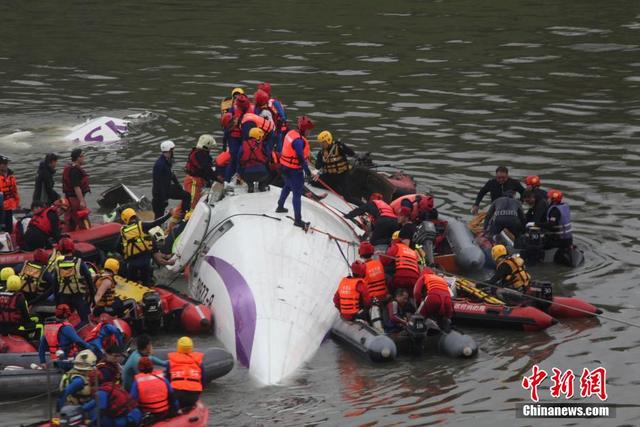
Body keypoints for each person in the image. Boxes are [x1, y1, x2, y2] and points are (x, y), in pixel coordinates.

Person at [276, 115, 318, 228]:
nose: (310, 132)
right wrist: (307, 171)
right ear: (304, 129)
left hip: (284, 167)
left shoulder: (291, 133)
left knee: (287, 186)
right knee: (297, 195)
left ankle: (280, 206)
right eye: (309, 130)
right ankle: (298, 220)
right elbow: (300, 156)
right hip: (294, 170)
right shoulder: (299, 141)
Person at [119, 207, 171, 285]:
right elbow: (156, 222)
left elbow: (117, 247)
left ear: (125, 220)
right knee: (146, 282)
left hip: (132, 262)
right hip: (145, 260)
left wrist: (125, 256)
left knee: (131, 283)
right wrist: (169, 215)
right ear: (135, 216)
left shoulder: (123, 232)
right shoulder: (142, 225)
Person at [53, 237, 95, 326]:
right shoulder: (79, 262)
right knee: (85, 321)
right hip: (77, 297)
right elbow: (89, 279)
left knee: (62, 321)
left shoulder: (57, 263)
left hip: (63, 297)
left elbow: (55, 284)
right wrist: (92, 296)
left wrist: (57, 303)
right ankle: (77, 332)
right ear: (72, 248)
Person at [152, 140, 191, 219]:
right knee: (159, 216)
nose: (174, 152)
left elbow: (171, 175)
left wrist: (178, 185)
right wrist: (164, 199)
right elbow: (158, 183)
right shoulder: (160, 165)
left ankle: (184, 215)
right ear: (169, 151)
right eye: (172, 151)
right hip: (159, 193)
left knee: (186, 195)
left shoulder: (167, 161)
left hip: (167, 187)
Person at [131, 356, 179, 421]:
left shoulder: (137, 382)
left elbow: (133, 400)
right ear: (152, 367)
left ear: (139, 368)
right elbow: (172, 395)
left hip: (147, 414)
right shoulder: (163, 378)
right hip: (164, 412)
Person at [313, 130, 355, 200]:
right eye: (320, 143)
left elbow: (351, 153)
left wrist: (342, 145)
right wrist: (321, 162)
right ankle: (334, 187)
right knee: (313, 182)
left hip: (342, 174)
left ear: (328, 140)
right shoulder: (321, 153)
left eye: (323, 142)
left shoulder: (338, 147)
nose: (322, 145)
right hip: (330, 175)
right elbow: (317, 166)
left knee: (347, 197)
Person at [223, 94, 255, 182]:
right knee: (234, 158)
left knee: (242, 158)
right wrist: (224, 142)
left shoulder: (252, 109)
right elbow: (227, 126)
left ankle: (240, 177)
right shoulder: (233, 109)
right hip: (234, 137)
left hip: (245, 136)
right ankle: (228, 180)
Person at [168, 336, 204, 410]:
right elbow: (203, 379)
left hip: (176, 395)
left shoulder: (171, 361)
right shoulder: (199, 362)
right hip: (193, 396)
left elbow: (167, 380)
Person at [381, 227, 421, 292]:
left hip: (400, 278)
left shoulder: (396, 246)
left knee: (384, 272)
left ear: (393, 240)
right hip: (414, 280)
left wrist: (381, 255)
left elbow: (385, 260)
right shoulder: (413, 251)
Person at [183, 134, 217, 209]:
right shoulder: (200, 155)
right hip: (193, 182)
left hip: (195, 181)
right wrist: (217, 179)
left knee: (190, 200)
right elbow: (207, 170)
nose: (210, 149)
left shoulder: (199, 153)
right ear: (206, 146)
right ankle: (186, 218)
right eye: (210, 147)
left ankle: (178, 215)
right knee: (192, 203)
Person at [62, 148, 90, 231]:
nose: (84, 158)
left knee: (71, 219)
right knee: (82, 218)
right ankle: (84, 232)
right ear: (78, 158)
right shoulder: (74, 170)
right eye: (82, 156)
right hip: (74, 199)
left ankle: (69, 231)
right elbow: (76, 187)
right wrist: (81, 201)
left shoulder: (72, 168)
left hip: (70, 198)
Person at [238, 127, 270, 193]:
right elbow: (268, 157)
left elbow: (239, 158)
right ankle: (262, 186)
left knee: (244, 170)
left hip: (247, 174)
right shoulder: (263, 145)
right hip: (262, 173)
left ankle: (250, 185)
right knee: (267, 168)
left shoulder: (243, 144)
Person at [0, 155, 20, 233]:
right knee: (2, 227)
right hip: (1, 206)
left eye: (6, 163)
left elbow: (15, 191)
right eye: (3, 163)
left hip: (9, 205)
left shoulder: (11, 177)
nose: (5, 165)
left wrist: (17, 203)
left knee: (9, 228)